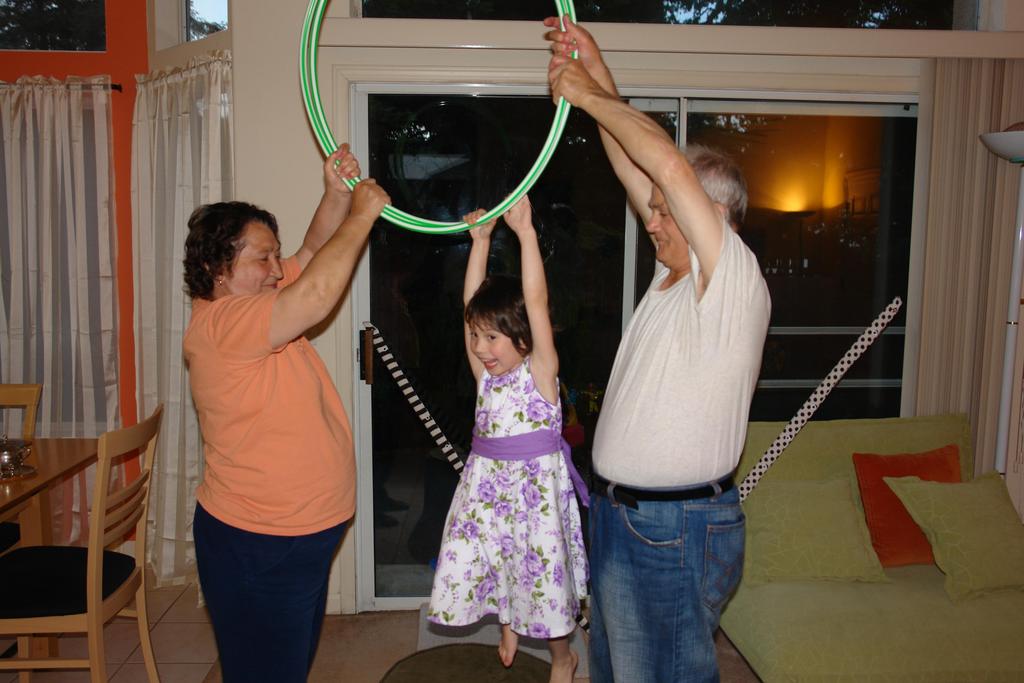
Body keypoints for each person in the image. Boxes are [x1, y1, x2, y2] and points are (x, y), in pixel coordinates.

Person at [545, 18, 771, 683]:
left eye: (665, 210)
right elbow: (636, 161)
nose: (651, 219)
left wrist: (585, 94)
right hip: (625, 516)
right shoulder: (673, 277)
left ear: (713, 215)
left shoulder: (730, 277)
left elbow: (666, 165)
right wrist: (595, 66)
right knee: (619, 671)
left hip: (673, 526)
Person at [182, 145, 389, 683]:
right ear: (215, 268)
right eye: (263, 259)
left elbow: (313, 251)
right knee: (268, 670)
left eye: (275, 256)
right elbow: (317, 292)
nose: (278, 270)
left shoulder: (256, 304)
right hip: (260, 540)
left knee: (284, 664)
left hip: (294, 535)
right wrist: (363, 215)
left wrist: (336, 196)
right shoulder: (224, 324)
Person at [427, 195, 589, 683]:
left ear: (523, 338)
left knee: (541, 577)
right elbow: (469, 306)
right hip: (487, 491)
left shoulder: (540, 373)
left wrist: (525, 234)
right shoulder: (487, 376)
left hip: (534, 497)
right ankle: (509, 622)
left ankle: (562, 656)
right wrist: (479, 242)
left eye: (491, 338)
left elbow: (535, 301)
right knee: (487, 557)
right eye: (475, 337)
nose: (480, 348)